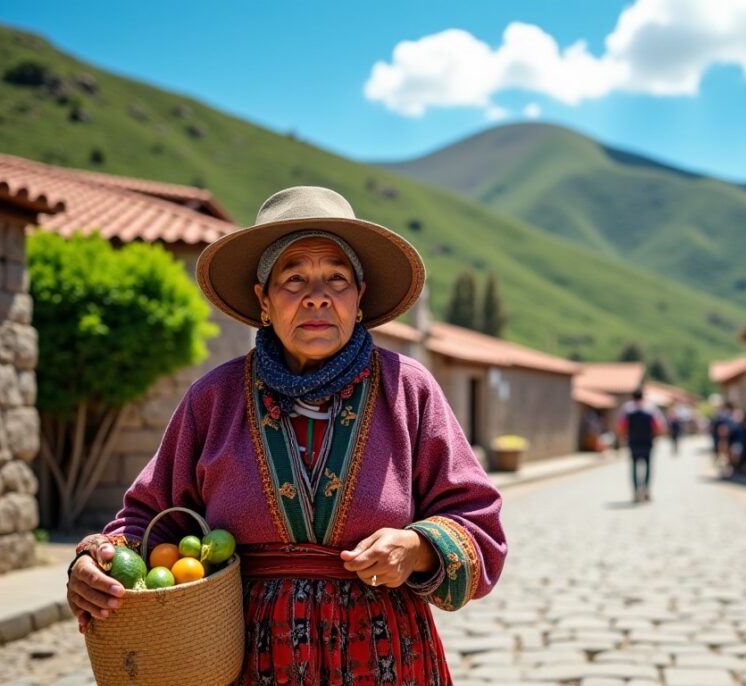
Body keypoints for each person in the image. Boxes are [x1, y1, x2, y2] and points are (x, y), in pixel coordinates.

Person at [64, 186, 507, 684]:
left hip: (385, 658)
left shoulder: (408, 389)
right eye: (294, 278)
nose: (317, 295)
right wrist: (98, 562)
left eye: (336, 279)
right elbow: (150, 521)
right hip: (246, 658)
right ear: (264, 301)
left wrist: (416, 548)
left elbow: (478, 523)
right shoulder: (215, 398)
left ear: (359, 298)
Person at [617, 389, 665, 502]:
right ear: (643, 397)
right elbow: (658, 427)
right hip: (647, 442)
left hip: (633, 442)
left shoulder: (627, 409)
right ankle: (646, 490)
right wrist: (654, 436)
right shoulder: (651, 409)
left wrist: (625, 438)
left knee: (634, 467)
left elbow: (621, 427)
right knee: (648, 467)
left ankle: (635, 492)